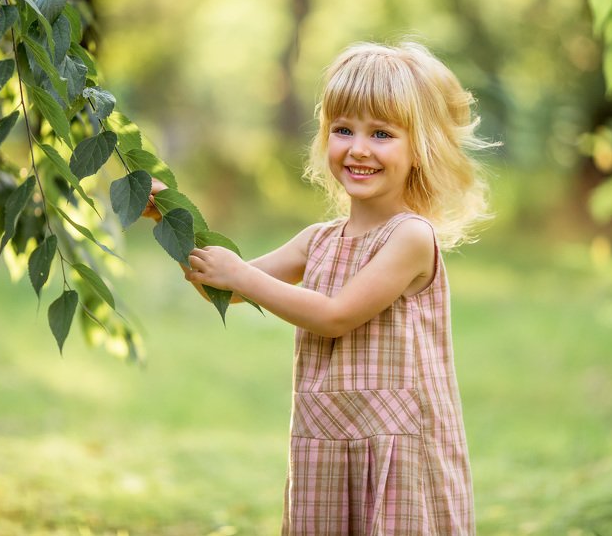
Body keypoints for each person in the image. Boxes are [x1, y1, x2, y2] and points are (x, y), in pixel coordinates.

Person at [146, 41, 490, 535]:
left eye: (382, 134)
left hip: (394, 448)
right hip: (327, 438)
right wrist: (171, 218)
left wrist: (241, 274)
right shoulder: (320, 240)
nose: (359, 148)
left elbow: (335, 315)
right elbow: (228, 287)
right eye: (343, 129)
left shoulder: (411, 237)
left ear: (420, 150)